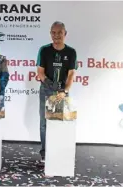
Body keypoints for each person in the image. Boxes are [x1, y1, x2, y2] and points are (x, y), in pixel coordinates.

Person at [36, 21, 78, 162]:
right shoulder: (44, 50)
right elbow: (40, 73)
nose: (56, 35)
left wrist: (64, 91)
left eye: (59, 32)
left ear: (65, 34)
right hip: (46, 91)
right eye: (53, 32)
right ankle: (45, 153)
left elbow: (71, 74)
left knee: (61, 122)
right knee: (44, 122)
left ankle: (59, 151)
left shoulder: (71, 52)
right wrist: (50, 84)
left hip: (62, 92)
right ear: (50, 34)